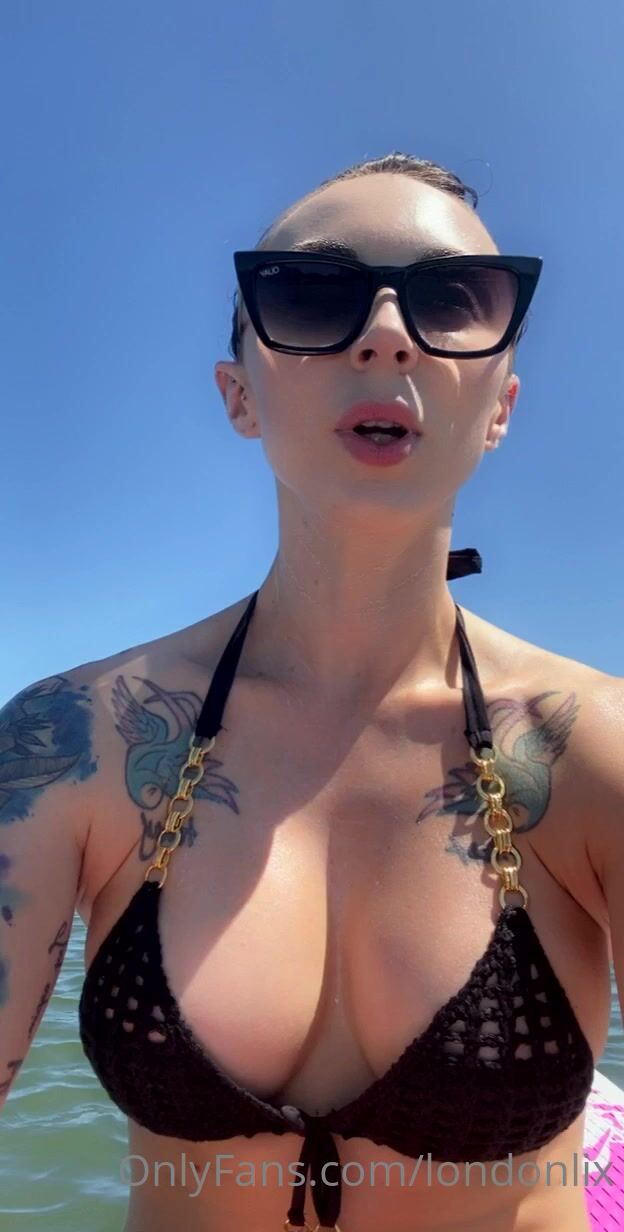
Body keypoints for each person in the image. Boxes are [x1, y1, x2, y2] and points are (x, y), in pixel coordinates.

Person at [1, 151, 623, 1232]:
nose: (385, 334)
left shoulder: (597, 751)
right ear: (237, 394)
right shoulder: (73, 739)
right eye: (311, 293)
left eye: (451, 298)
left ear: (502, 405)